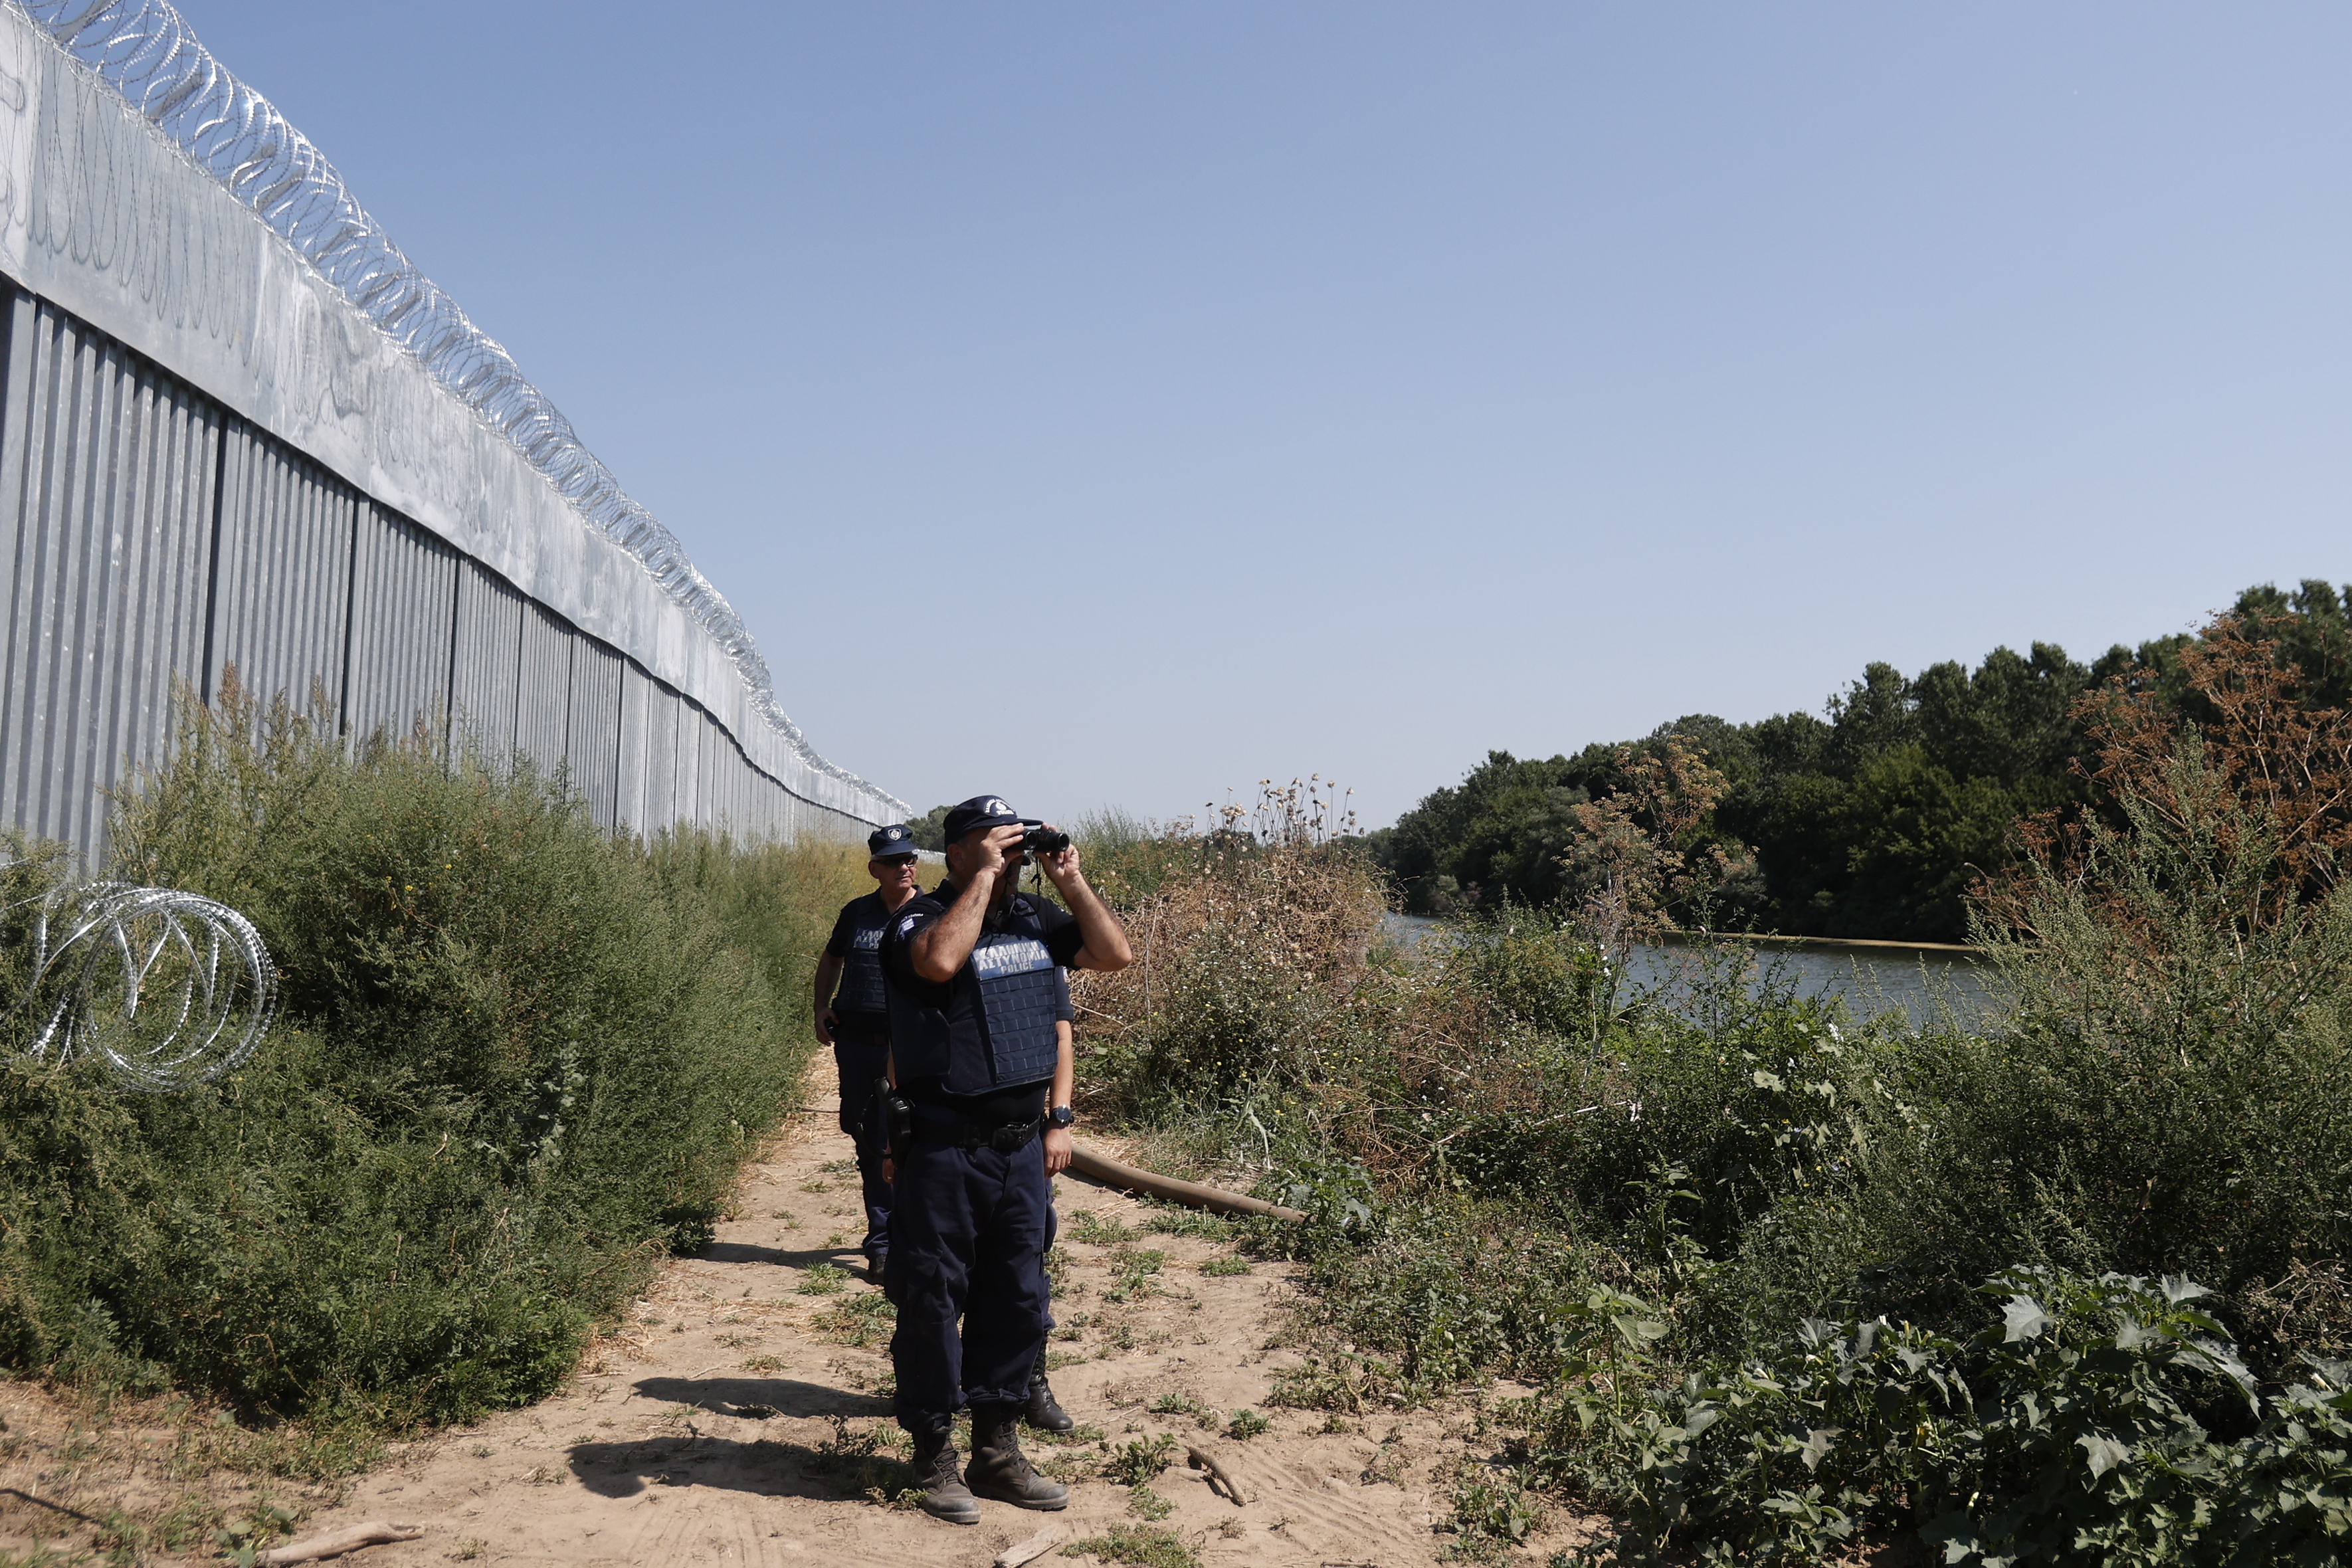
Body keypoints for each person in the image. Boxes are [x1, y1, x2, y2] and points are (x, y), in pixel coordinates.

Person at [880, 796, 1132, 1524]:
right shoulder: (915, 919)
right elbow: (940, 961)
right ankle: (933, 1452)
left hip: (1019, 1151)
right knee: (932, 1300)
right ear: (956, 852)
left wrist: (1071, 878)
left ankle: (996, 1447)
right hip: (943, 1148)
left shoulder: (1033, 919)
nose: (1014, 859)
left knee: (1016, 1300)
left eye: (1018, 849)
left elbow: (1115, 955)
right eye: (999, 846)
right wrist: (984, 878)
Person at [811, 823, 922, 1277]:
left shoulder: (933, 913)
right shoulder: (857, 913)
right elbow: (832, 958)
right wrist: (820, 1006)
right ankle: (884, 1239)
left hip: (911, 1050)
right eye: (894, 861)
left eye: (909, 858)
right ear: (874, 868)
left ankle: (901, 1239)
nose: (905, 866)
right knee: (868, 1140)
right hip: (857, 1046)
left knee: (907, 1142)